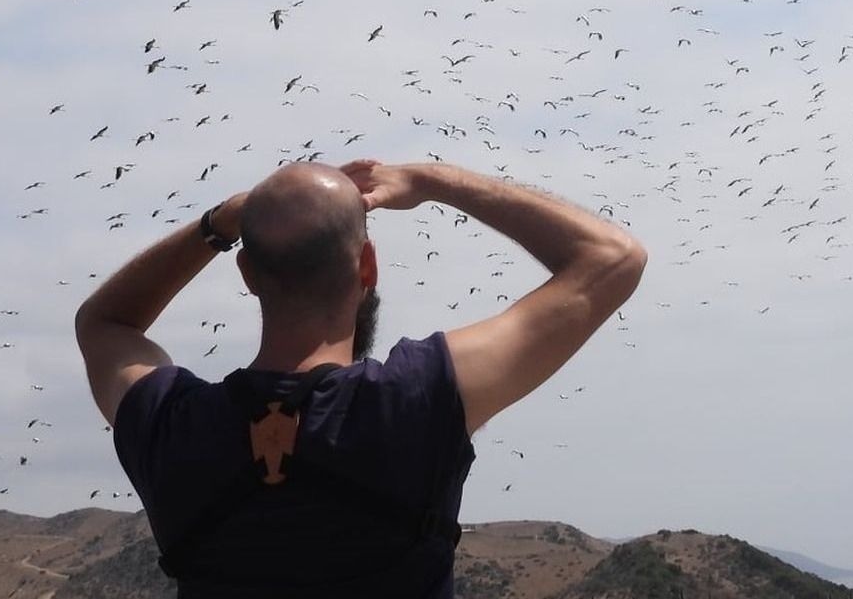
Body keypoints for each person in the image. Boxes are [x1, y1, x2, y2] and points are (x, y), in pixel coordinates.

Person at [74, 159, 647, 598]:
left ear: (246, 274)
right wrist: (434, 180)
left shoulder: (170, 424)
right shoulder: (416, 398)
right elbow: (613, 256)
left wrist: (220, 223)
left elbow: (104, 321)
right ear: (367, 266)